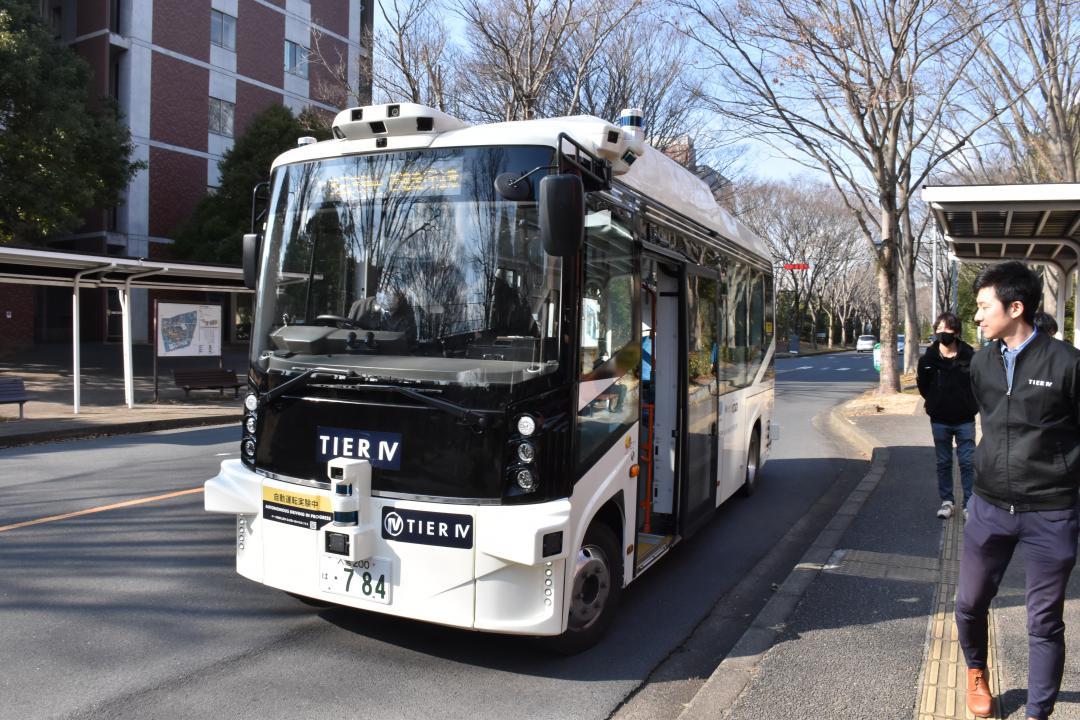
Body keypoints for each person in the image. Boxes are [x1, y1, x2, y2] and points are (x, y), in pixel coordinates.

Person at [957, 261, 1080, 720]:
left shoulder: (1067, 364)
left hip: (1051, 511)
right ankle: (975, 671)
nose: (976, 316)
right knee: (969, 604)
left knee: (1043, 622)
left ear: (1016, 307)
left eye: (984, 306)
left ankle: (1037, 713)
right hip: (989, 506)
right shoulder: (982, 360)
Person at [916, 312, 977, 520]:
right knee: (943, 462)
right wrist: (934, 402)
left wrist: (971, 404)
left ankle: (969, 503)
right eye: (939, 329)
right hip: (940, 419)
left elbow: (977, 385)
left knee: (968, 462)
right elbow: (923, 387)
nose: (942, 333)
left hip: (965, 418)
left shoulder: (970, 357)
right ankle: (947, 501)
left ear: (957, 332)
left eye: (947, 329)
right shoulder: (927, 360)